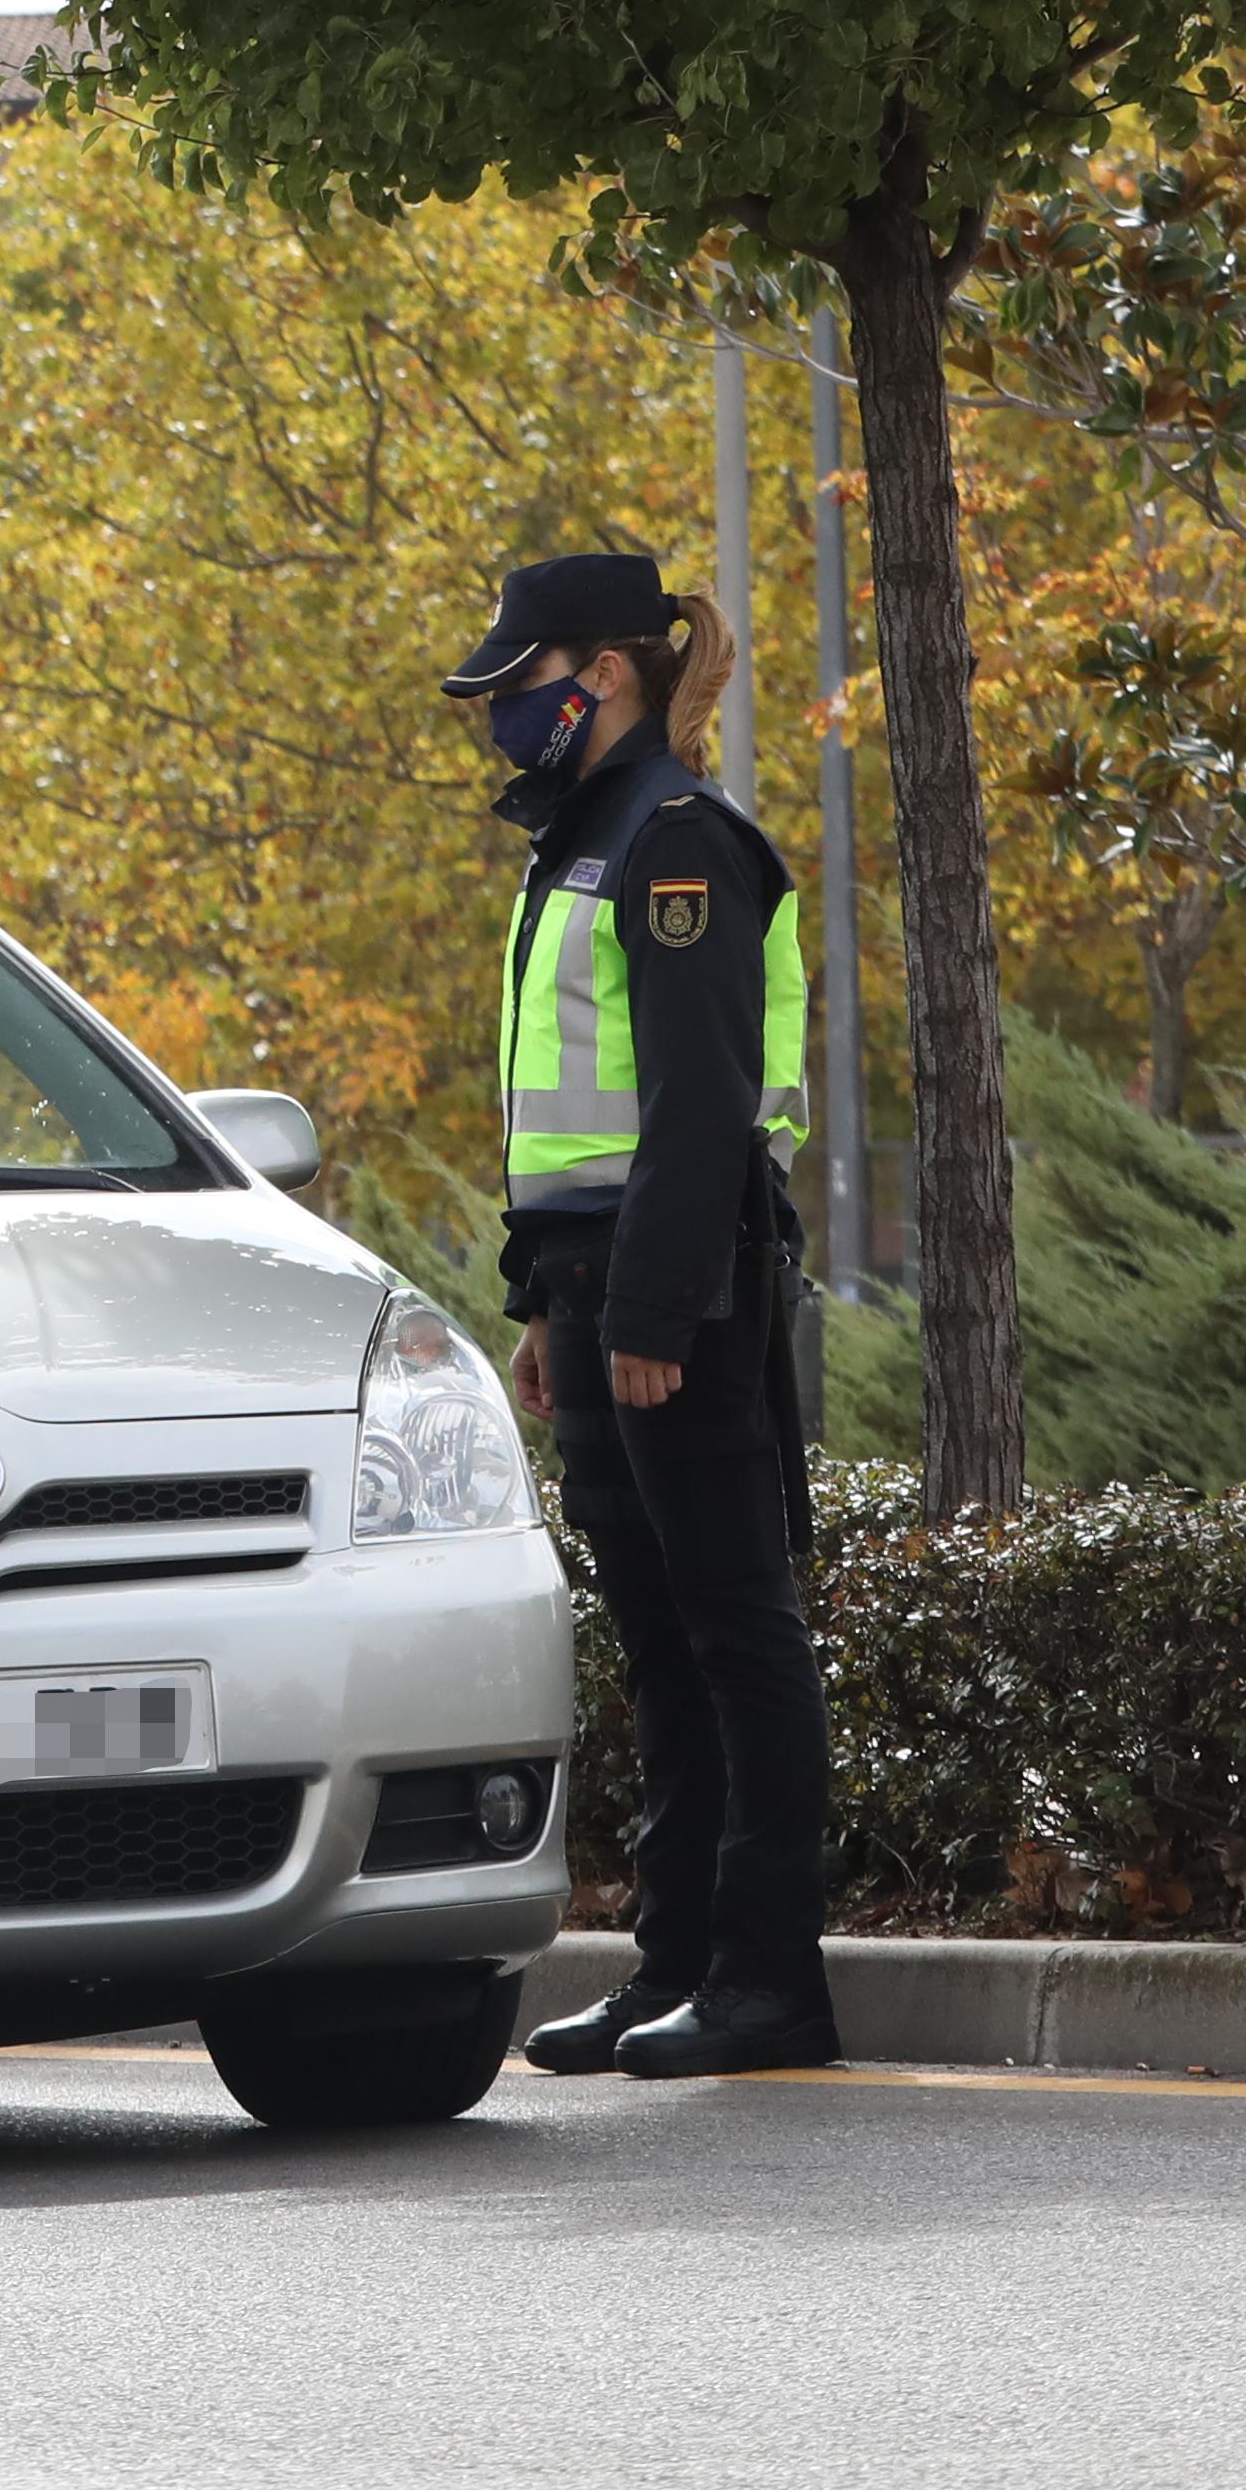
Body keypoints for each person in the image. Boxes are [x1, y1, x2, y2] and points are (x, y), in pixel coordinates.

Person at [443, 549, 838, 2079]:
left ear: (596, 674)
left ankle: (768, 1980)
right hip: (602, 1290)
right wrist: (551, 1304)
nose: (499, 713)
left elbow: (697, 1109)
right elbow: (568, 1134)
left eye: (514, 686)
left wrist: (658, 1311)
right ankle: (674, 1965)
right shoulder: (584, 841)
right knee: (665, 1645)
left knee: (739, 1633)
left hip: (682, 1292)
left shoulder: (679, 843)